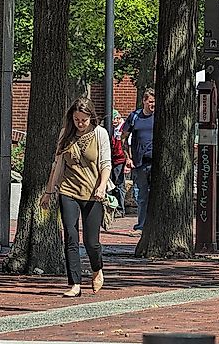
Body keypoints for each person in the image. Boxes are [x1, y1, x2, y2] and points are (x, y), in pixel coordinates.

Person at [41, 97, 111, 297]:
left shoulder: (100, 134)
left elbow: (106, 163)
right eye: (76, 119)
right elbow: (58, 165)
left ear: (91, 118)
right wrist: (49, 192)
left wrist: (102, 185)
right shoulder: (66, 134)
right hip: (68, 190)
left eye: (83, 120)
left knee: (91, 242)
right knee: (70, 236)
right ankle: (75, 283)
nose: (80, 124)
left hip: (92, 192)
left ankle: (97, 269)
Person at [123, 89, 156, 231]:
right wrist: (128, 158)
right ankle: (142, 224)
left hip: (157, 163)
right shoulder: (135, 116)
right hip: (140, 163)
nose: (152, 105)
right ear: (144, 101)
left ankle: (155, 223)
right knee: (142, 195)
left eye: (155, 102)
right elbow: (123, 138)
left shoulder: (161, 116)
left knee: (157, 194)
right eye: (150, 101)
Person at [108, 110, 128, 214]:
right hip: (112, 159)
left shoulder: (123, 128)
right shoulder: (110, 129)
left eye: (116, 119)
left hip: (120, 159)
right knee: (111, 184)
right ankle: (111, 207)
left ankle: (120, 209)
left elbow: (125, 145)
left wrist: (127, 160)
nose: (114, 121)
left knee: (120, 184)